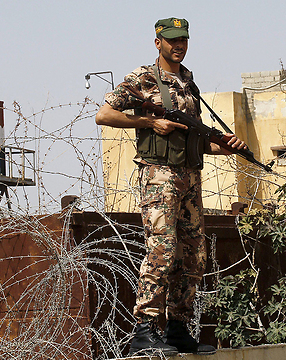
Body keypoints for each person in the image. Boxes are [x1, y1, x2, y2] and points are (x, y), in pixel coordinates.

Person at [95, 17, 247, 356]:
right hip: (159, 177)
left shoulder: (188, 83)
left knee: (193, 256)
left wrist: (226, 146)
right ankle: (145, 329)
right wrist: (150, 121)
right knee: (161, 250)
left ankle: (178, 327)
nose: (179, 46)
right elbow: (104, 115)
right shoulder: (143, 78)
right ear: (158, 42)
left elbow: (194, 140)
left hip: (190, 177)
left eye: (184, 40)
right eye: (172, 40)